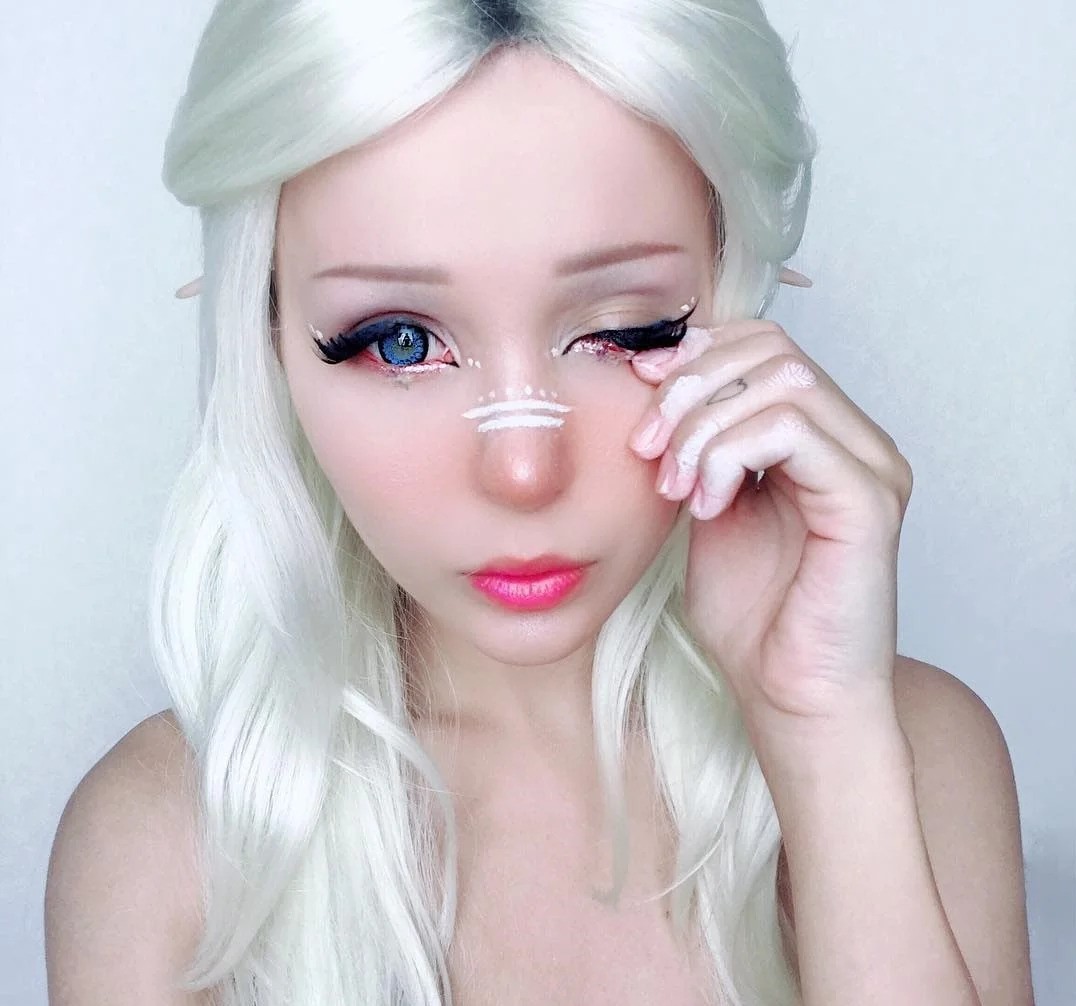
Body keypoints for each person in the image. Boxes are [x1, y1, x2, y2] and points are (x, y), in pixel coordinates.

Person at [44, 2, 1034, 1005]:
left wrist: (821, 741)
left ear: (736, 285)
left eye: (622, 330)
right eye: (398, 341)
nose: (522, 469)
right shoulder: (167, 851)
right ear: (264, 337)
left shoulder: (909, 755)